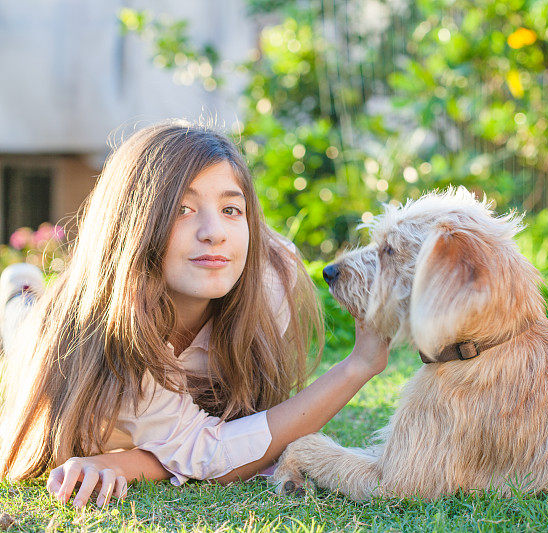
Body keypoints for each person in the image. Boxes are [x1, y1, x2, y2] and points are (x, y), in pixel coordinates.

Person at [0, 121, 389, 509]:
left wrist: (127, 464)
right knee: (22, 323)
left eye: (231, 209)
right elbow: (211, 454)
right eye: (182, 209)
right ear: (134, 223)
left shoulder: (270, 275)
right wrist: (358, 366)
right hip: (48, 332)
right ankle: (17, 291)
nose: (214, 232)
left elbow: (214, 442)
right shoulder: (110, 331)